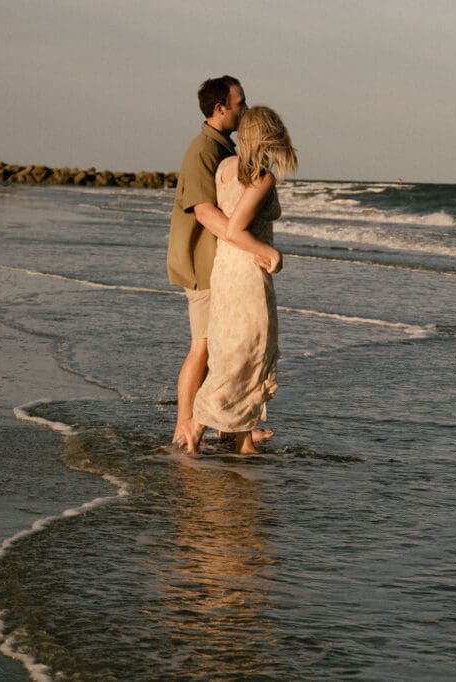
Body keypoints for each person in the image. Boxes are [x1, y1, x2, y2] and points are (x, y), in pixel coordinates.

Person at [190, 106, 297, 454]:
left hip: (225, 267)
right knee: (249, 351)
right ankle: (195, 426)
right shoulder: (261, 176)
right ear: (266, 136)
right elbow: (236, 227)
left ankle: (243, 440)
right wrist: (269, 252)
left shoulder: (225, 168)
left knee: (233, 351)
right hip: (248, 271)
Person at [166, 75, 247, 451]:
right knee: (202, 346)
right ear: (220, 109)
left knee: (220, 348)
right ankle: (185, 424)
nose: (244, 110)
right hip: (202, 263)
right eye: (240, 103)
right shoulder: (203, 150)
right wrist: (247, 242)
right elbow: (203, 211)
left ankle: (226, 427)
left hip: (217, 262)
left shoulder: (221, 147)